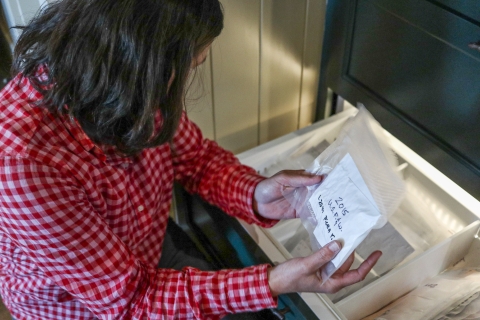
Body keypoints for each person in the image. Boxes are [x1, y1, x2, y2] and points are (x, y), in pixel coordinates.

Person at [0, 0, 382, 319]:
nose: (183, 84)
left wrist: (257, 193)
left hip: (145, 246)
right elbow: (132, 301)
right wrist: (272, 281)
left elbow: (196, 160)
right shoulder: (25, 162)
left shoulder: (128, 83)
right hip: (75, 307)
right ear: (143, 62)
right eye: (190, 67)